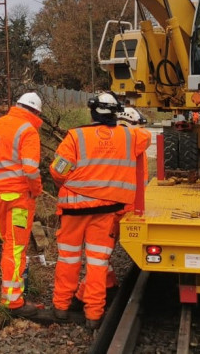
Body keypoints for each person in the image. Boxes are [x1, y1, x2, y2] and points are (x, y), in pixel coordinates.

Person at [49, 93, 151, 329]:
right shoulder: (131, 136)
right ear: (116, 113)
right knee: (98, 263)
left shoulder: (76, 137)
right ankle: (94, 314)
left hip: (73, 210)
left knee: (68, 258)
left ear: (92, 112)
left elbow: (58, 170)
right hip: (107, 211)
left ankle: (61, 307)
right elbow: (144, 136)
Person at [0, 92, 44, 317]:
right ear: (36, 113)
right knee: (15, 247)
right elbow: (31, 169)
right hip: (19, 199)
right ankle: (13, 301)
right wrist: (36, 190)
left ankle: (10, 294)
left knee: (8, 245)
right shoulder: (28, 131)